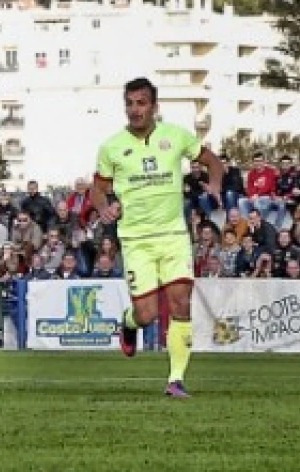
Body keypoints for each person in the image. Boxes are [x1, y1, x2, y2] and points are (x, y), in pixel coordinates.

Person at [92, 76, 225, 399]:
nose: (135, 110)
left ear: (154, 106)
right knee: (147, 314)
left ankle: (176, 379)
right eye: (130, 103)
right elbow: (98, 187)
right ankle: (128, 322)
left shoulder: (175, 136)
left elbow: (212, 162)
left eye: (141, 103)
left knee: (181, 303)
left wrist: (216, 185)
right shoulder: (112, 146)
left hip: (174, 236)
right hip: (136, 240)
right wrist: (104, 208)